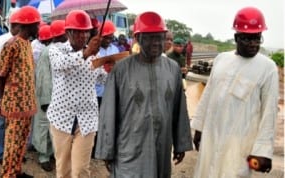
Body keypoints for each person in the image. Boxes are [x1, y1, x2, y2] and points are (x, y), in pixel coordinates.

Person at [94, 11, 193, 178]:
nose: (155, 43)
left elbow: (179, 109)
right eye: (149, 37)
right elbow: (108, 112)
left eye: (159, 37)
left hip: (161, 147)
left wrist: (180, 143)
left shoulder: (173, 69)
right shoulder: (121, 70)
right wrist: (107, 150)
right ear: (138, 39)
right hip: (130, 148)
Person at [191, 7, 279, 178]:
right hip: (212, 135)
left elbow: (269, 112)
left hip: (240, 143)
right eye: (247, 38)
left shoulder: (268, 68)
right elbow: (208, 94)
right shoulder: (221, 59)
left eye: (257, 38)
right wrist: (199, 129)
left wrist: (263, 151)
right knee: (207, 171)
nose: (253, 44)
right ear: (236, 37)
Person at [47, 10, 107, 178]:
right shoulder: (56, 51)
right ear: (68, 33)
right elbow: (61, 65)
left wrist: (109, 69)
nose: (83, 36)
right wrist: (86, 54)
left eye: (85, 31)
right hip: (61, 118)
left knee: (81, 170)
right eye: (78, 32)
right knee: (63, 169)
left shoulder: (95, 54)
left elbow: (102, 79)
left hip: (86, 119)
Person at [0, 6, 40, 178]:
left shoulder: (27, 44)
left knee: (22, 140)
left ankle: (16, 171)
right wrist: (4, 98)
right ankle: (8, 174)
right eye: (37, 25)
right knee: (12, 142)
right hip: (14, 104)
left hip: (27, 103)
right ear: (29, 25)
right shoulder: (11, 45)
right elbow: (1, 75)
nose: (39, 28)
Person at [0, 10, 20, 166]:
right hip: (2, 86)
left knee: (15, 120)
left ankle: (12, 151)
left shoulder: (23, 42)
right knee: (1, 120)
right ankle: (0, 153)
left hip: (17, 88)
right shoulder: (2, 40)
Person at [31, 24, 55, 172]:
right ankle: (43, 156)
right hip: (44, 94)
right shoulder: (47, 52)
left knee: (48, 127)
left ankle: (48, 153)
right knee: (43, 126)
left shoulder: (49, 50)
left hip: (48, 94)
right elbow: (43, 78)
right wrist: (46, 99)